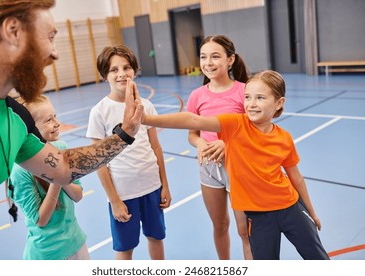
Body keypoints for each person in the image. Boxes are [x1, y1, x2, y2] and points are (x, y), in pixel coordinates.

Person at [0, 0, 143, 219]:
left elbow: (62, 168)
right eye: (51, 37)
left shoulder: (16, 117)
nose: (55, 54)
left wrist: (125, 132)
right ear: (13, 30)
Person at [140, 70, 330, 260]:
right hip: (258, 218)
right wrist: (146, 119)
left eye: (260, 98)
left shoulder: (284, 138)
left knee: (319, 259)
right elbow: (193, 119)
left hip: (291, 208)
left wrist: (311, 212)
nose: (251, 104)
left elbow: (296, 177)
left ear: (279, 103)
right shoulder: (235, 125)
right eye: (247, 97)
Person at [86, 45, 171, 260]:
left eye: (126, 68)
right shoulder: (99, 112)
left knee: (156, 238)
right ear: (105, 75)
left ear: (135, 70)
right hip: (124, 194)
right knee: (125, 248)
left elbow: (156, 147)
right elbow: (99, 162)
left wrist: (165, 186)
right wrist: (114, 200)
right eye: (114, 69)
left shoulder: (146, 106)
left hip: (152, 187)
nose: (121, 74)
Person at [187, 35, 252, 260]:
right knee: (220, 225)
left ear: (230, 60)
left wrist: (228, 143)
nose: (209, 63)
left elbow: (256, 131)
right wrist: (200, 143)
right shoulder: (197, 96)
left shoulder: (245, 91)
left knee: (244, 231)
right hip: (209, 169)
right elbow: (192, 134)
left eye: (216, 56)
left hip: (239, 167)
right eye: (204, 57)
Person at [9, 95, 89, 260]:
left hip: (76, 243)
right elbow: (41, 220)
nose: (57, 123)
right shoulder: (20, 170)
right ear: (31, 128)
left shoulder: (61, 148)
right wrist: (56, 177)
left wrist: (61, 173)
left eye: (55, 116)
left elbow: (78, 195)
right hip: (49, 254)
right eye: (48, 120)